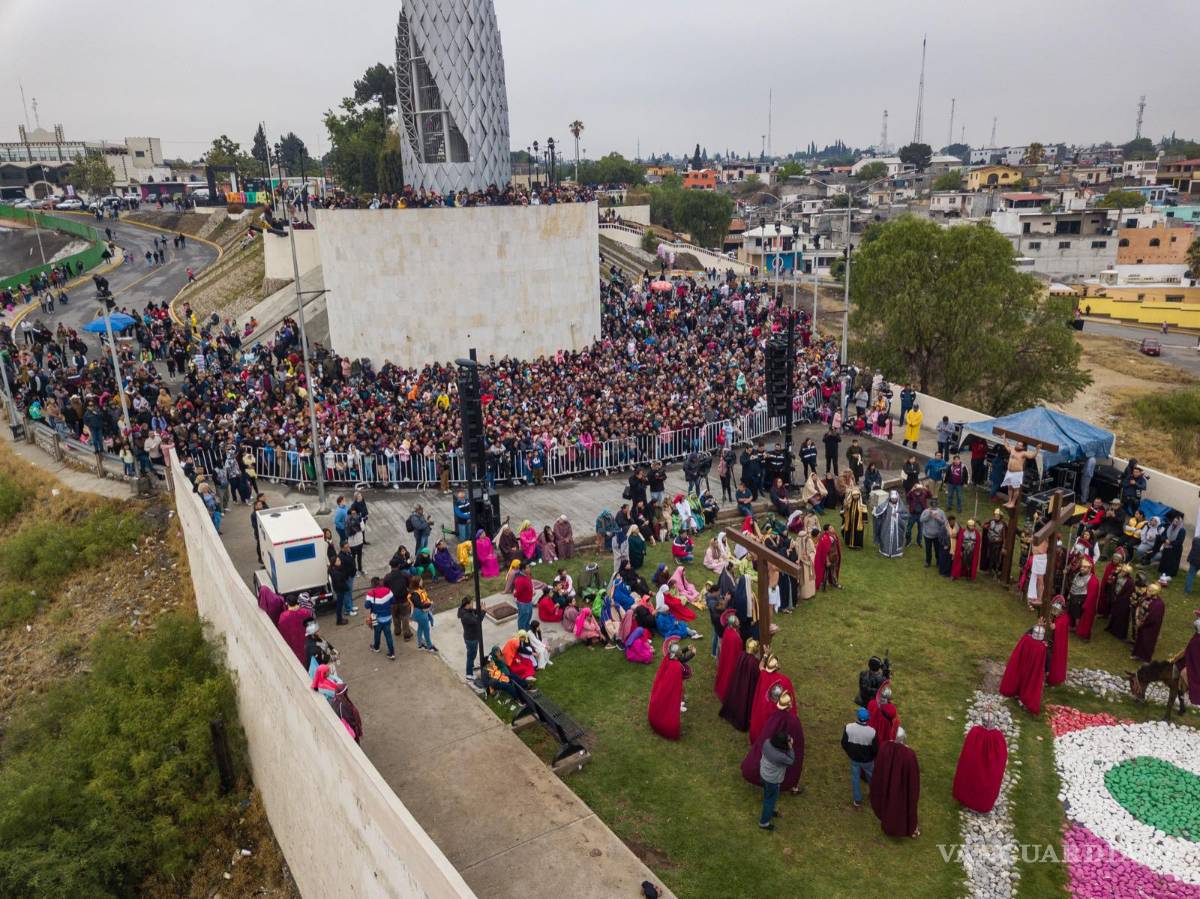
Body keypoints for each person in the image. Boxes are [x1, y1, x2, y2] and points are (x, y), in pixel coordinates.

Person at [952, 711, 1007, 814]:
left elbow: (967, 755)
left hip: (974, 768)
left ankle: (967, 798)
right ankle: (981, 802)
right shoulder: (998, 738)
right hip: (988, 771)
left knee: (972, 773)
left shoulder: (975, 732)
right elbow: (1001, 759)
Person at [869, 727, 920, 838]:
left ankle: (887, 820)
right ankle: (902, 827)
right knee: (899, 806)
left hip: (887, 782)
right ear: (904, 738)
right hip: (901, 787)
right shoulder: (909, 755)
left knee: (888, 802)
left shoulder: (884, 747)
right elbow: (913, 777)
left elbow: (879, 767)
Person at [647, 638, 694, 740]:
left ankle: (679, 703)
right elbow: (684, 667)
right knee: (671, 703)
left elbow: (678, 654)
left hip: (664, 685)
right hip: (671, 688)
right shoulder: (677, 666)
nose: (680, 650)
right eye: (680, 650)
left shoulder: (668, 657)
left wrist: (686, 648)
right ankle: (669, 723)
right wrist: (692, 654)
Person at [999, 623, 1048, 715]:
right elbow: (1043, 661)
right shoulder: (1042, 646)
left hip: (1023, 664)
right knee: (1030, 679)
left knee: (1020, 676)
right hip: (1032, 668)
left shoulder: (1026, 639)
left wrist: (1036, 625)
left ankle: (1016, 692)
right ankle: (1024, 697)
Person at [720, 637, 762, 731]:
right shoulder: (754, 663)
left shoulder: (742, 655)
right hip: (747, 686)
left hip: (738, 682)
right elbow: (757, 676)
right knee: (744, 700)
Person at [841, 707, 879, 808]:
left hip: (854, 759)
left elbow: (844, 743)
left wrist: (850, 753)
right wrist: (872, 757)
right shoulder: (872, 732)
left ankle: (857, 800)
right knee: (871, 777)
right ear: (868, 719)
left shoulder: (848, 727)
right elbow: (875, 749)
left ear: (857, 717)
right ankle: (874, 795)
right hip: (868, 761)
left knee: (855, 779)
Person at [1132, 583, 1165, 662]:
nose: (1147, 592)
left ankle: (1145, 658)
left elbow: (1153, 617)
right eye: (1148, 590)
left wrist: (1142, 622)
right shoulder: (1145, 597)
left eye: (1150, 591)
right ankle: (1137, 654)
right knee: (1139, 638)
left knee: (1147, 641)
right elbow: (1139, 605)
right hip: (1141, 621)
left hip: (1150, 626)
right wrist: (1137, 618)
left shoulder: (1159, 604)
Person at [364, 577, 396, 660]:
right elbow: (393, 601)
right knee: (388, 635)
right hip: (388, 617)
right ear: (379, 583)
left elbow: (366, 606)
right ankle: (391, 653)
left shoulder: (370, 593)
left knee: (377, 633)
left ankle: (376, 647)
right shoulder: (388, 590)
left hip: (376, 618)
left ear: (372, 584)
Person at [1002, 439, 1039, 508]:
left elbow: (1032, 456)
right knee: (1009, 487)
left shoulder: (1023, 453)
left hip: (1017, 473)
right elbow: (1007, 446)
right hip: (1009, 472)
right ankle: (1009, 501)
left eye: (1020, 445)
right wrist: (1004, 439)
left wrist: (1037, 450)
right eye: (1017, 444)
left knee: (1016, 489)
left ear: (1023, 447)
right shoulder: (1012, 449)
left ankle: (1013, 503)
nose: (1018, 446)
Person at [1071, 558, 1101, 640]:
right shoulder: (1078, 574)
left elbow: (1092, 595)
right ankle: (1075, 628)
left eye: (1085, 567)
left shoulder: (1093, 580)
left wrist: (1085, 605)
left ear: (1089, 568)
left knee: (1080, 617)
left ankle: (1081, 632)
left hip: (1082, 600)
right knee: (1075, 615)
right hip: (1075, 598)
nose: (1082, 568)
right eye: (1081, 566)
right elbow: (1074, 585)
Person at [872, 490, 907, 559]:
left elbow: (905, 516)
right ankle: (885, 551)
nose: (894, 499)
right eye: (892, 498)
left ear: (897, 498)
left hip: (898, 528)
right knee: (885, 537)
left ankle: (896, 552)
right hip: (886, 526)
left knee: (897, 539)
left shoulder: (900, 506)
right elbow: (879, 512)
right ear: (890, 498)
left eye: (895, 498)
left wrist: (897, 516)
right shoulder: (886, 505)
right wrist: (875, 510)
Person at [1106, 564, 1137, 641]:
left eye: (1124, 571)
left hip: (1123, 602)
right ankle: (1112, 628)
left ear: (1127, 573)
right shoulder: (1118, 576)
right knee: (1114, 614)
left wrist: (1119, 598)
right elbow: (1113, 584)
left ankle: (1119, 633)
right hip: (1116, 598)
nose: (1122, 572)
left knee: (1121, 618)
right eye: (1122, 570)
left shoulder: (1130, 582)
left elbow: (1128, 593)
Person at [410, 577, 436, 652]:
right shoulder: (415, 594)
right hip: (420, 613)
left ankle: (420, 645)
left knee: (420, 628)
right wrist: (429, 604)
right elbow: (419, 605)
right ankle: (429, 646)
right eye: (421, 581)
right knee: (426, 629)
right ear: (417, 583)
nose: (422, 581)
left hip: (419, 612)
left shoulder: (417, 591)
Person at [1158, 513, 1186, 582]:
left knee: (1172, 562)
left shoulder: (1182, 530)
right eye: (1174, 521)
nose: (1175, 523)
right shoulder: (1169, 527)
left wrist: (1170, 542)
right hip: (1167, 547)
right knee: (1165, 560)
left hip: (1175, 549)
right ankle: (1163, 572)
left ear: (1180, 522)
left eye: (1177, 522)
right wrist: (1165, 539)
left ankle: (1169, 574)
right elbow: (1163, 535)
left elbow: (1180, 541)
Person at [919, 498, 947, 569]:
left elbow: (945, 522)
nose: (933, 506)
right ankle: (928, 562)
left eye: (935, 505)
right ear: (930, 505)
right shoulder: (926, 511)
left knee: (937, 550)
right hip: (927, 535)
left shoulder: (941, 512)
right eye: (932, 505)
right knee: (928, 549)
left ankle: (938, 562)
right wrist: (929, 515)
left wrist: (937, 518)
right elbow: (921, 519)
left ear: (937, 504)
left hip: (937, 535)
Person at [1048, 598, 1069, 686]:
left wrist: (1050, 623)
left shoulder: (1063, 618)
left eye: (1056, 609)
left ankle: (1055, 677)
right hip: (1053, 641)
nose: (1054, 611)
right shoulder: (1060, 617)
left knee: (1055, 658)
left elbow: (1054, 627)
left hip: (1058, 644)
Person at [814, 524, 843, 591]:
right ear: (827, 531)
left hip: (834, 557)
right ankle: (823, 586)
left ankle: (834, 583)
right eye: (830, 528)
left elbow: (837, 546)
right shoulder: (825, 538)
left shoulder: (834, 535)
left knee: (833, 571)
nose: (833, 528)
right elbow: (825, 551)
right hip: (828, 559)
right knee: (826, 573)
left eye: (832, 527)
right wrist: (827, 561)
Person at [841, 485, 867, 550]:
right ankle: (849, 543)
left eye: (857, 495)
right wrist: (845, 507)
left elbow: (864, 512)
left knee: (858, 532)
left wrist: (864, 520)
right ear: (852, 495)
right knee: (849, 531)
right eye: (854, 495)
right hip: (850, 521)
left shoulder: (862, 503)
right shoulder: (849, 502)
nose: (856, 496)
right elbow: (845, 510)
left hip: (858, 521)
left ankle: (858, 545)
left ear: (859, 495)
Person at [512, 559, 534, 631]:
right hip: (523, 603)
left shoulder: (527, 576)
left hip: (529, 601)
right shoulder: (520, 580)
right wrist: (515, 594)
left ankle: (527, 630)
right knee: (523, 619)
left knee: (528, 617)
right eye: (528, 567)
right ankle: (522, 633)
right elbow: (517, 593)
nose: (529, 568)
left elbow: (529, 585)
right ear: (523, 569)